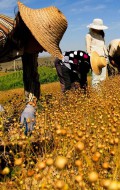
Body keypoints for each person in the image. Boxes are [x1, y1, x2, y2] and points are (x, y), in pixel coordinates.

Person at [0, 2, 67, 135]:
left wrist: (30, 105)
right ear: (32, 35)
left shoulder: (28, 48)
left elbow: (31, 77)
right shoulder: (1, 34)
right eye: (43, 44)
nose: (43, 50)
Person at [86, 18, 108, 87]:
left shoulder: (101, 36)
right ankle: (96, 96)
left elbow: (103, 46)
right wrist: (91, 58)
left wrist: (106, 57)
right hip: (94, 59)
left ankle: (101, 95)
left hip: (103, 59)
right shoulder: (89, 35)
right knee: (96, 79)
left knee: (103, 78)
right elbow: (88, 48)